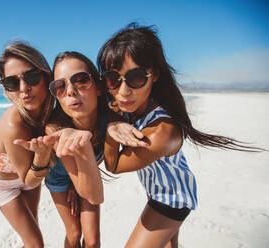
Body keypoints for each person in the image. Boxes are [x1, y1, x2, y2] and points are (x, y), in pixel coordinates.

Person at [96, 23, 262, 248]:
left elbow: (114, 166)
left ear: (154, 75)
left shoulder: (161, 132)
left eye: (135, 78)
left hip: (172, 200)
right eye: (112, 79)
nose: (123, 91)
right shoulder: (133, 106)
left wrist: (111, 129)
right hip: (157, 190)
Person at [17, 51, 109, 248]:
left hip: (85, 173)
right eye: (60, 86)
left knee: (92, 241)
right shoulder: (56, 130)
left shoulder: (109, 120)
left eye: (81, 80)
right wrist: (73, 186)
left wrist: (117, 125)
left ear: (99, 86)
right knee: (74, 233)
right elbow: (95, 196)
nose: (71, 91)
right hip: (59, 179)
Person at [0, 41, 54, 247]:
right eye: (12, 83)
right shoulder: (13, 124)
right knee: (36, 243)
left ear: (46, 75)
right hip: (2, 185)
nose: (24, 89)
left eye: (31, 77)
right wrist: (41, 156)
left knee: (31, 236)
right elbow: (29, 180)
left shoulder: (51, 112)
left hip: (31, 175)